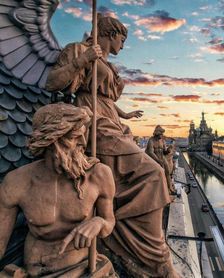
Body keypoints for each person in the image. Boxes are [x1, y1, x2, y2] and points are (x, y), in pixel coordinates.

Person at [46, 15, 180, 277]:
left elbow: (103, 96)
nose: (123, 45)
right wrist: (83, 60)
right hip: (93, 121)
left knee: (121, 182)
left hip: (109, 119)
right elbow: (54, 83)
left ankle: (120, 231)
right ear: (109, 33)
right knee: (152, 175)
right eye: (122, 38)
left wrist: (125, 115)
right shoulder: (80, 50)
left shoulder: (104, 61)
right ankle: (155, 255)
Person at [0, 103, 116, 277]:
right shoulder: (17, 182)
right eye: (74, 137)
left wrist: (99, 222)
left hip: (85, 268)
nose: (83, 143)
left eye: (83, 134)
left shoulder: (99, 175)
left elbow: (109, 223)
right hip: (37, 271)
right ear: (50, 141)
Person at [146, 125, 176, 195]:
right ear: (157, 134)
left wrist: (168, 150)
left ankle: (170, 188)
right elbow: (150, 152)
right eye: (161, 134)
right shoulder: (151, 140)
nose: (162, 135)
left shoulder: (162, 141)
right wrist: (158, 161)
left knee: (167, 173)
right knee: (161, 174)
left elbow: (164, 151)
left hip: (162, 158)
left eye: (162, 134)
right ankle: (164, 190)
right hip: (155, 160)